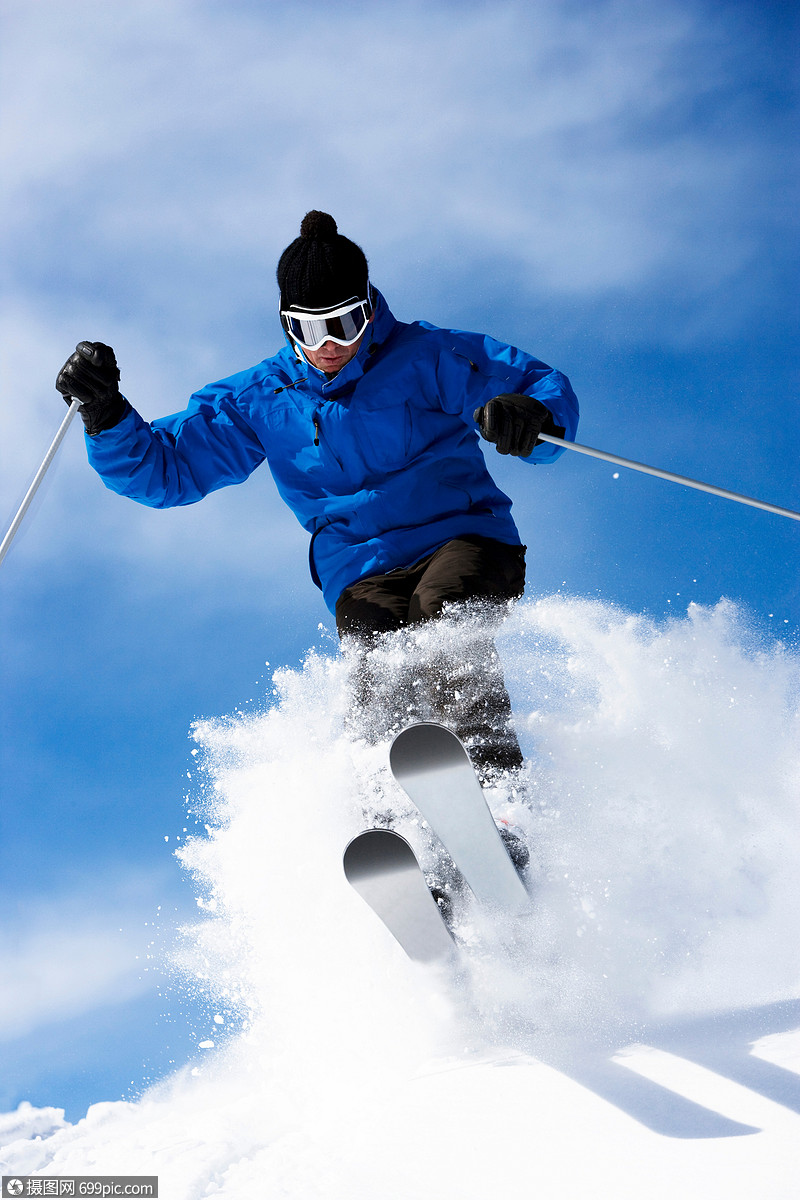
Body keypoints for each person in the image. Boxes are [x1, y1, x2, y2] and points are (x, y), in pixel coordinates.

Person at [56, 210, 579, 789]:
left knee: (442, 618)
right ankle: (393, 817)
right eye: (308, 330)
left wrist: (532, 417)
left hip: (463, 538)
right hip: (360, 569)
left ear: (369, 310)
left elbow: (535, 386)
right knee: (379, 673)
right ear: (287, 325)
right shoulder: (261, 397)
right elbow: (168, 471)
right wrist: (105, 414)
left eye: (344, 324)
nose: (329, 346)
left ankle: (498, 792)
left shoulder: (429, 356)